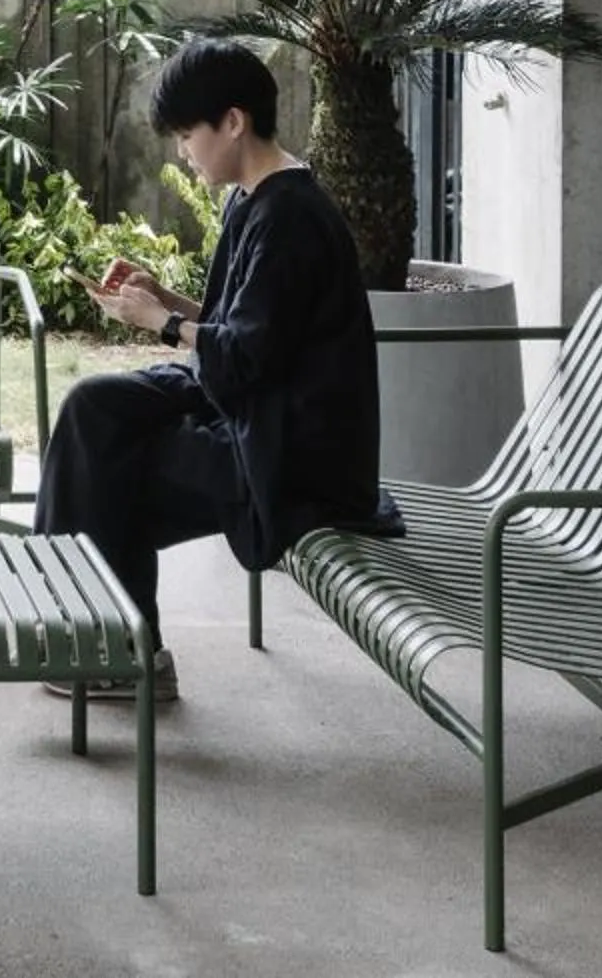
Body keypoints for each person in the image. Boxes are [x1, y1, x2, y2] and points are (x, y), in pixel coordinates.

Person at [35, 38, 402, 704]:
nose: (181, 150)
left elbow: (244, 358)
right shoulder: (252, 198)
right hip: (248, 404)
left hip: (290, 449)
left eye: (186, 134)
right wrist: (165, 300)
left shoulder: (290, 216)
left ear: (233, 122)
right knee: (94, 406)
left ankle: (117, 652)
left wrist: (161, 324)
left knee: (113, 471)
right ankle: (99, 635)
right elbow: (245, 324)